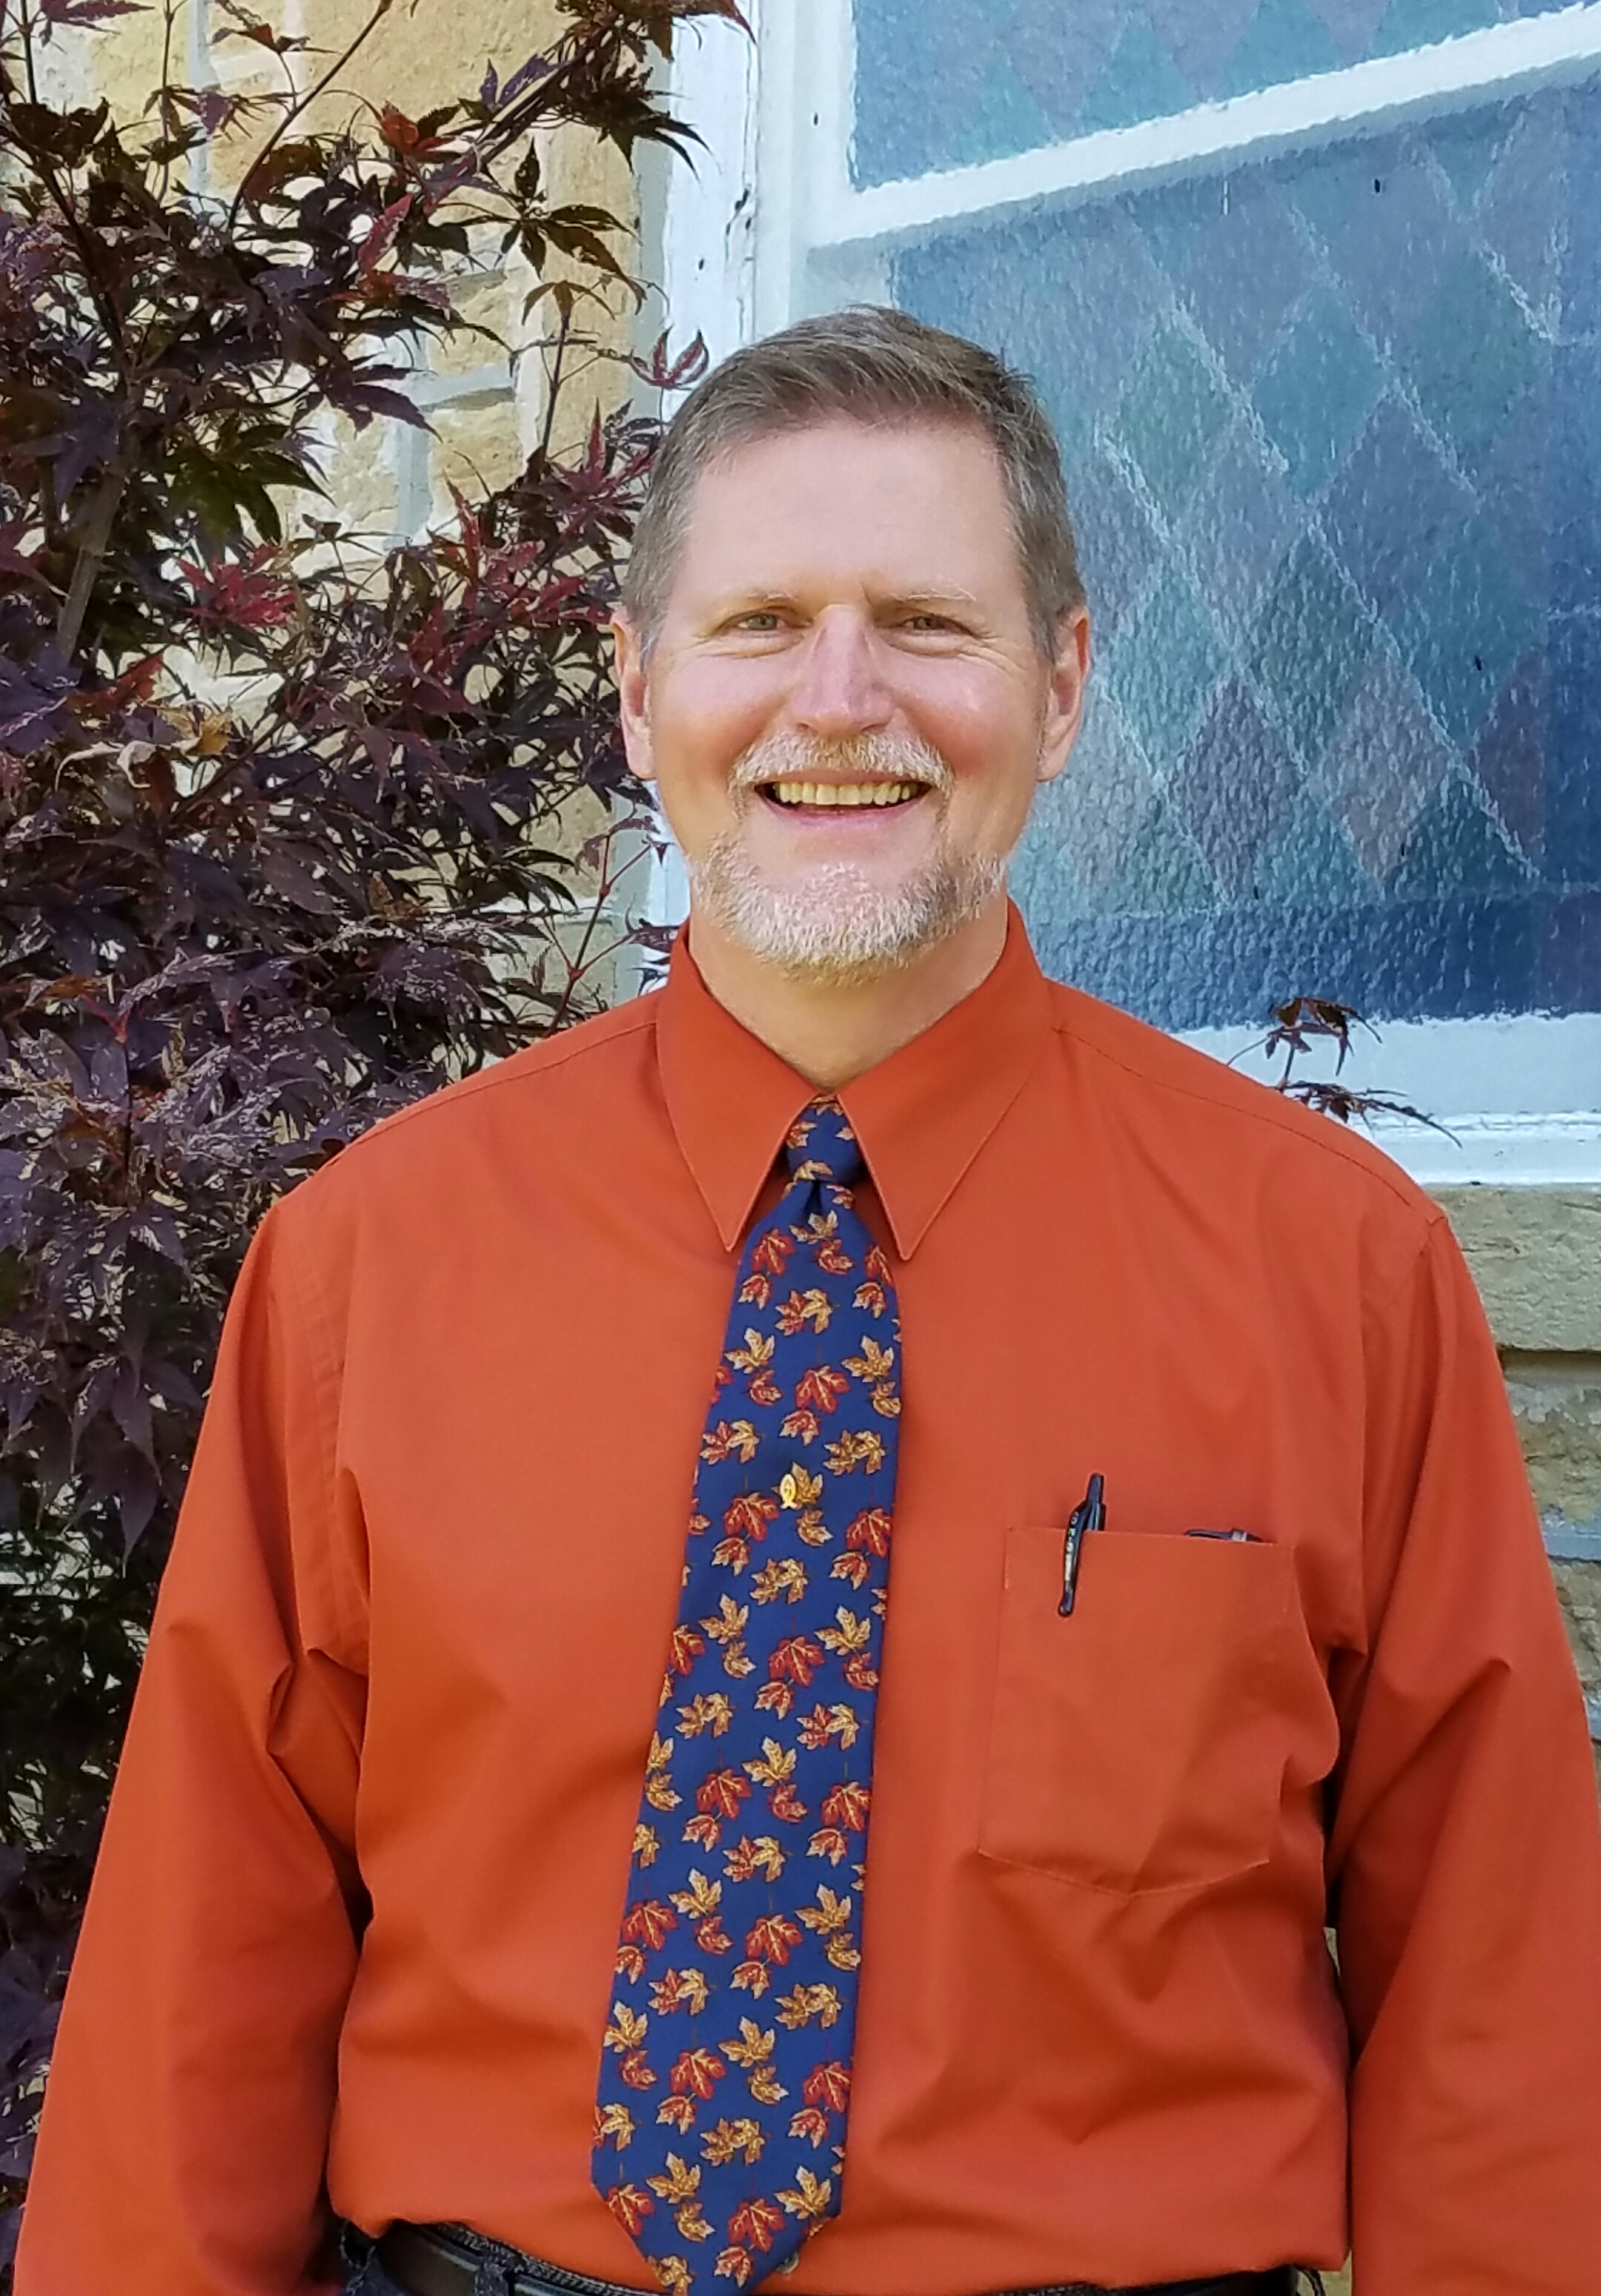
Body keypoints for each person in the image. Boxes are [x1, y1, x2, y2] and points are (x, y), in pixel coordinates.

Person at [17, 307, 1601, 2296]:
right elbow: (201, 1974)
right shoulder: (365, 1266)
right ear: (637, 692)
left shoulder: (1339, 1274)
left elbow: (1496, 1993)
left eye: (925, 624)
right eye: (760, 621)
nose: (838, 702)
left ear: (1064, 686)